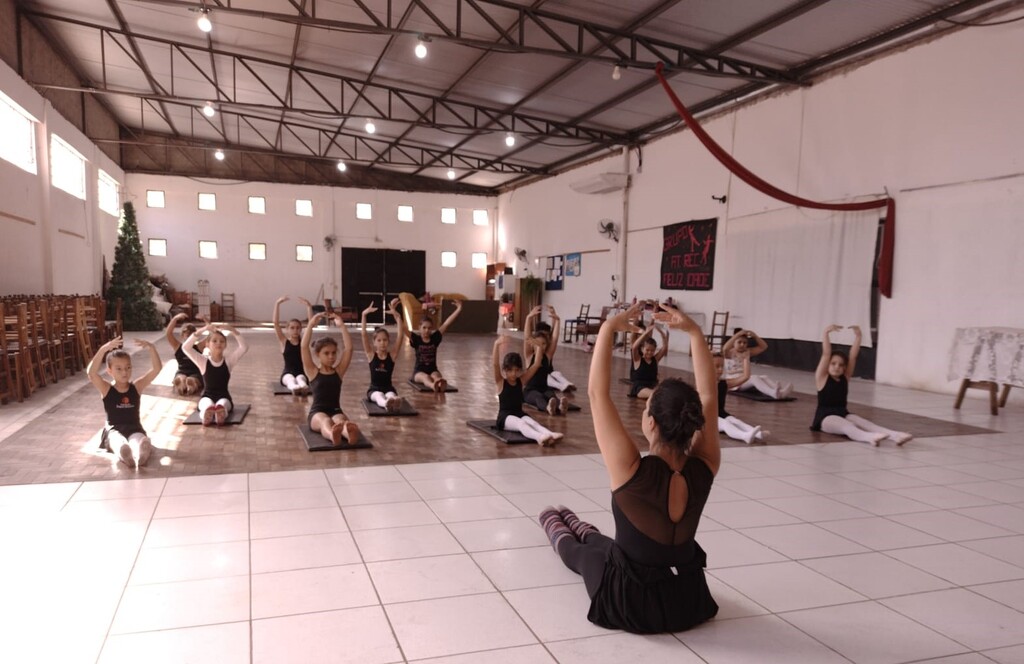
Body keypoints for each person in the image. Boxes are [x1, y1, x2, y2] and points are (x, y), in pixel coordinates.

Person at [539, 302, 720, 634]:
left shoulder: (632, 469)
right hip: (686, 599)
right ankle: (582, 527)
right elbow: (709, 395)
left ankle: (557, 524)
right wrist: (694, 331)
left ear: (650, 423)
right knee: (607, 545)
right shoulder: (706, 464)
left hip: (633, 605)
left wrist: (608, 328)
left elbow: (597, 395)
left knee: (583, 556)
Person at [813, 324, 912, 446]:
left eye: (841, 365)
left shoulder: (845, 378)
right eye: (833, 364)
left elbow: (853, 357)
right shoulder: (822, 378)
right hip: (825, 418)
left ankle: (896, 435)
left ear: (844, 368)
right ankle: (869, 437)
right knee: (847, 426)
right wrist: (825, 333)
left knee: (864, 423)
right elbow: (826, 354)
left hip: (843, 413)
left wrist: (859, 336)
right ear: (827, 365)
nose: (837, 367)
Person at [87, 336, 162, 468]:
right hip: (114, 429)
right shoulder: (106, 389)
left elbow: (156, 369)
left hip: (134, 427)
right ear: (109, 371)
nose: (125, 372)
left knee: (139, 439)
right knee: (117, 442)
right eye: (119, 369)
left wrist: (152, 348)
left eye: (128, 368)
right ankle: (124, 453)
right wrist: (103, 349)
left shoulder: (137, 387)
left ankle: (142, 450)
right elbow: (91, 374)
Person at [492, 336, 564, 446]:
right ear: (505, 370)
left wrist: (539, 348)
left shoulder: (521, 380)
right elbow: (495, 365)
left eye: (516, 370)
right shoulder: (501, 382)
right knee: (522, 424)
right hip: (505, 417)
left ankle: (550, 434)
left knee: (534, 423)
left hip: (519, 413)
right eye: (510, 370)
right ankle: (539, 438)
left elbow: (536, 365)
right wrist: (496, 345)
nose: (514, 374)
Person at [301, 311, 359, 446]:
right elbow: (304, 347)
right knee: (325, 421)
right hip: (317, 413)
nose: (331, 357)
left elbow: (349, 349)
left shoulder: (338, 371)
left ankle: (348, 433)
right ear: (318, 354)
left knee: (341, 420)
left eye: (333, 353)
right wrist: (310, 325)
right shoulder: (312, 372)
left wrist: (342, 326)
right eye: (326, 353)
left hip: (336, 410)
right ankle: (333, 435)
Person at [181, 322, 248, 426]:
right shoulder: (203, 361)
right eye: (214, 341)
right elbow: (185, 348)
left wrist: (232, 330)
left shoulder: (229, 361)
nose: (218, 343)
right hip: (207, 396)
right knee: (207, 404)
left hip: (224, 396)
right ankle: (206, 414)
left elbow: (244, 347)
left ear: (225, 345)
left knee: (223, 404)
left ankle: (220, 414)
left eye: (222, 341)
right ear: (207, 344)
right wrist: (202, 330)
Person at [523, 306, 571, 415]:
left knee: (552, 396)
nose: (541, 346)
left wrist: (557, 320)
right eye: (538, 343)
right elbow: (527, 337)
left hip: (544, 388)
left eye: (543, 344)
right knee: (538, 397)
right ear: (533, 343)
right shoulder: (529, 356)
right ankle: (548, 408)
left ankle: (561, 406)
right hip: (530, 391)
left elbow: (554, 338)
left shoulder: (548, 356)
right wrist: (528, 318)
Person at [408, 298, 463, 392]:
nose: (426, 330)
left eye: (429, 328)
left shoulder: (435, 338)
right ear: (419, 328)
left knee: (436, 376)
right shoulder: (416, 339)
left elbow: (446, 323)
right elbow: (404, 329)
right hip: (418, 372)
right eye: (424, 328)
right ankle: (433, 385)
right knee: (425, 377)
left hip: (433, 370)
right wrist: (396, 315)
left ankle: (439, 382)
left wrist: (459, 309)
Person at [361, 299, 405, 413]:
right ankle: (386, 404)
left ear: (388, 341)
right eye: (379, 340)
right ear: (374, 342)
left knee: (391, 395)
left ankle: (394, 401)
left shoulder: (392, 355)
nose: (382, 343)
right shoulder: (371, 355)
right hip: (374, 390)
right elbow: (364, 335)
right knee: (379, 395)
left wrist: (398, 317)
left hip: (389, 388)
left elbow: (400, 336)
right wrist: (364, 315)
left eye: (385, 340)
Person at [722, 329, 793, 399]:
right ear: (733, 342)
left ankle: (780, 392)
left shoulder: (747, 351)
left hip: (745, 380)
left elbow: (764, 346)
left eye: (745, 343)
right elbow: (725, 348)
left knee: (764, 377)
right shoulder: (729, 353)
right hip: (735, 382)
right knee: (754, 378)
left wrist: (755, 336)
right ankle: (772, 393)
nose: (742, 344)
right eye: (739, 342)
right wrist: (737, 334)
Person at [713, 353, 767, 444]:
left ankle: (757, 434)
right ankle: (744, 436)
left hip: (720, 414)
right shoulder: (704, 384)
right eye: (717, 366)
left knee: (736, 421)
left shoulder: (723, 383)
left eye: (722, 366)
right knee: (726, 424)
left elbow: (745, 377)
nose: (720, 369)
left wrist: (746, 359)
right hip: (708, 417)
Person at [273, 295, 314, 395]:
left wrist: (309, 307)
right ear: (287, 329)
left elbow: (311, 324)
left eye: (297, 328)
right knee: (290, 379)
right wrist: (277, 304)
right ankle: (294, 388)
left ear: (301, 329)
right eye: (292, 328)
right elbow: (275, 323)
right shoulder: (284, 341)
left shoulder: (303, 342)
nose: (295, 330)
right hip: (286, 374)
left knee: (301, 379)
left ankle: (303, 386)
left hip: (301, 373)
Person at [164, 312, 204, 396]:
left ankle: (187, 383)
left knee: (192, 378)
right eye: (187, 333)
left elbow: (211, 336)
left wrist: (205, 320)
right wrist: (175, 319)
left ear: (195, 336)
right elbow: (168, 333)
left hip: (192, 372)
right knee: (184, 377)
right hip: (186, 371)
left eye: (191, 333)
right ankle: (183, 383)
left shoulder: (199, 346)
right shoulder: (178, 346)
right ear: (182, 335)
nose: (188, 334)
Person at [628, 323, 668, 399]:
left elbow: (664, 347)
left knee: (665, 390)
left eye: (652, 350)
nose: (649, 352)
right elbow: (634, 348)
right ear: (642, 349)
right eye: (647, 350)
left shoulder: (655, 359)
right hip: (640, 388)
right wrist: (645, 333)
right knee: (655, 394)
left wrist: (661, 332)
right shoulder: (637, 359)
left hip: (653, 386)